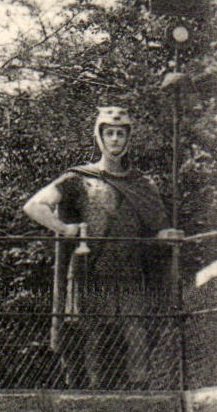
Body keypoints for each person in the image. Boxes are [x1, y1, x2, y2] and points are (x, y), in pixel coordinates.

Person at [22, 107, 182, 389]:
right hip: (90, 270)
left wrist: (166, 235)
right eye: (110, 133)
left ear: (128, 139)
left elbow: (157, 230)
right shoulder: (79, 178)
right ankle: (92, 400)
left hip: (129, 271)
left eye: (121, 133)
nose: (116, 139)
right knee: (92, 336)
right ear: (100, 137)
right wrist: (63, 228)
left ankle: (138, 403)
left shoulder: (141, 184)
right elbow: (34, 206)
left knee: (136, 336)